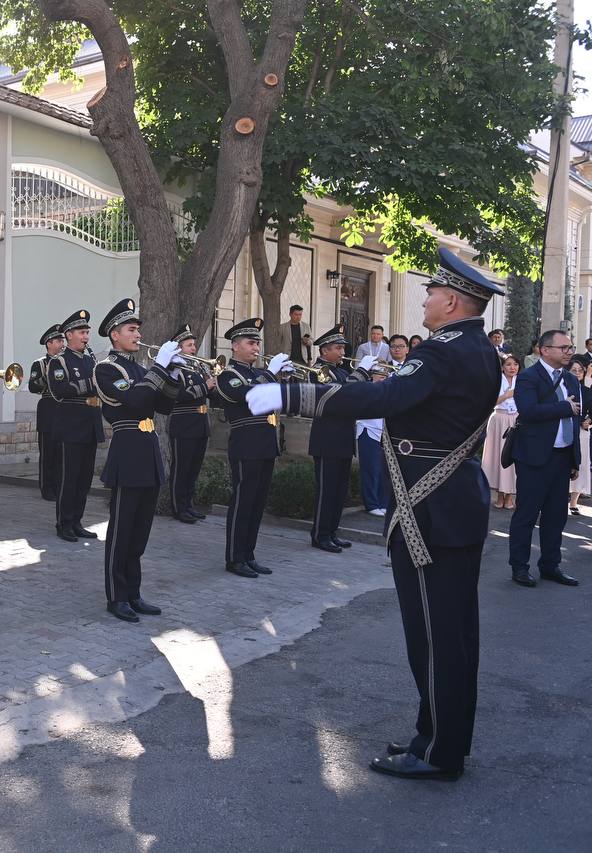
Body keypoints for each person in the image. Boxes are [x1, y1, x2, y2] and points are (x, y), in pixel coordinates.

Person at [246, 245, 503, 781]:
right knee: (453, 634)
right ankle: (440, 736)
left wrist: (288, 395)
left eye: (433, 291)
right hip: (452, 505)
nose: (427, 297)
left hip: (432, 513)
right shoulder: (477, 349)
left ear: (453, 302)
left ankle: (439, 752)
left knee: (433, 636)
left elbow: (386, 398)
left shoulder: (442, 352)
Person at [93, 298, 185, 622]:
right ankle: (116, 596)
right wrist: (159, 369)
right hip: (128, 449)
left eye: (137, 329)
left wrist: (172, 374)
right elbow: (133, 401)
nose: (137, 334)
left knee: (141, 531)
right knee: (121, 530)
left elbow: (163, 407)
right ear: (115, 335)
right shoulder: (106, 368)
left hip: (148, 450)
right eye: (131, 329)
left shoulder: (139, 368)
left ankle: (133, 592)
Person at [212, 318, 292, 578]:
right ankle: (235, 558)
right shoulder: (228, 375)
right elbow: (247, 395)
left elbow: (279, 399)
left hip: (266, 443)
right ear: (235, 346)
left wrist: (284, 380)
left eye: (258, 342)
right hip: (246, 443)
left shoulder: (258, 374)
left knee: (257, 503)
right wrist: (271, 374)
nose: (256, 346)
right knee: (243, 501)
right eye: (250, 342)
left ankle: (249, 554)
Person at [507, 329, 582, 588]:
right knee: (526, 515)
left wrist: (575, 460)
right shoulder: (529, 377)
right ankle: (519, 567)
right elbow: (527, 412)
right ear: (544, 349)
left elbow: (575, 420)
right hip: (534, 458)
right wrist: (564, 407)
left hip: (562, 458)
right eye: (563, 347)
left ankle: (550, 566)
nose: (569, 352)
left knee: (556, 516)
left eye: (570, 347)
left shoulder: (571, 380)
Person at [307, 324, 374, 552]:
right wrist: (363, 372)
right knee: (327, 491)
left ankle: (331, 531)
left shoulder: (342, 370)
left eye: (343, 348)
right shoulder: (319, 370)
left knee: (339, 491)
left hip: (344, 436)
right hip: (327, 439)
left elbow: (356, 394)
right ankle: (319, 535)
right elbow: (340, 394)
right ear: (324, 350)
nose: (343, 352)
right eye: (338, 348)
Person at [47, 309, 106, 542]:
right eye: (82, 332)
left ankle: (78, 521)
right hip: (71, 426)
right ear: (69, 334)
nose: (86, 337)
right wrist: (90, 382)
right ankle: (64, 523)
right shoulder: (59, 361)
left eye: (87, 332)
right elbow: (61, 391)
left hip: (90, 423)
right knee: (68, 478)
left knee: (84, 479)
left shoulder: (90, 359)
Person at [166, 324, 217, 524]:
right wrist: (205, 386)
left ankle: (189, 505)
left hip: (200, 423)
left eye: (194, 345)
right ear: (179, 348)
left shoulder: (197, 367)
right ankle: (179, 508)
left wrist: (213, 387)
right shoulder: (174, 368)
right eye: (189, 345)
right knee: (182, 468)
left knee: (194, 468)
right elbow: (177, 395)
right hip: (183, 424)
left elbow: (208, 394)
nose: (194, 349)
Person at [28, 324, 64, 501]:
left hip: (63, 409)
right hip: (48, 408)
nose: (62, 344)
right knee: (48, 452)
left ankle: (59, 486)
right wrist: (46, 376)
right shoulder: (40, 363)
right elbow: (33, 386)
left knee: (61, 453)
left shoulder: (66, 361)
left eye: (62, 340)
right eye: (59, 340)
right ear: (49, 344)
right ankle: (46, 488)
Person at [481, 355, 520, 510]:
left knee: (513, 456)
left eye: (516, 364)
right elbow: (488, 402)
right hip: (498, 418)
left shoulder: (523, 381)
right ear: (502, 367)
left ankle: (510, 495)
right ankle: (499, 494)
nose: (512, 367)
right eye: (509, 364)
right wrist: (506, 395)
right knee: (497, 456)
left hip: (516, 419)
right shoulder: (496, 380)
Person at [354, 373, 387, 517]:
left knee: (382, 470)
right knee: (370, 469)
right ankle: (371, 503)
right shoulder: (366, 388)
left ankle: (382, 502)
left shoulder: (386, 390)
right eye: (379, 374)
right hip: (368, 430)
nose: (382, 378)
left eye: (384, 375)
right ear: (372, 375)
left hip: (383, 432)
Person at [568, 359, 591, 515]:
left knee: (580, 465)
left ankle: (574, 502)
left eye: (580, 371)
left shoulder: (587, 391)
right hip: (565, 429)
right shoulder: (563, 388)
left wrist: (589, 420)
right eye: (573, 370)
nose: (577, 373)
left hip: (582, 432)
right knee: (564, 464)